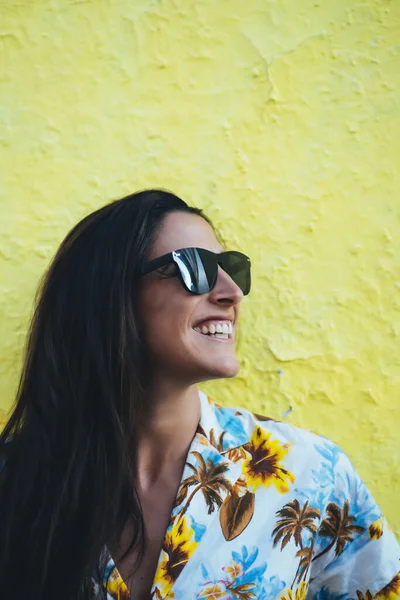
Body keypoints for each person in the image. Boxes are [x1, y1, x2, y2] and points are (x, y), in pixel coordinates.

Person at [0, 190, 398, 600]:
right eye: (195, 268)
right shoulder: (15, 480)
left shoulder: (310, 475)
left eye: (232, 269)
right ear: (110, 294)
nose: (231, 293)